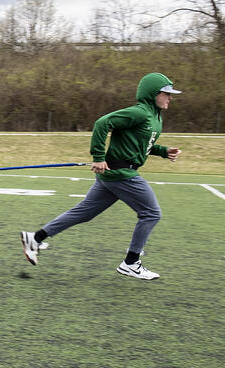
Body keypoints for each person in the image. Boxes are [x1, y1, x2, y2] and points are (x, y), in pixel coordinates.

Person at [20, 73, 182, 280]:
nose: (170, 97)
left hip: (113, 175)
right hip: (121, 173)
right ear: (152, 94)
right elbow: (101, 123)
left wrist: (163, 151)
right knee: (151, 213)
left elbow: (139, 144)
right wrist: (98, 156)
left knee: (84, 212)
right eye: (166, 93)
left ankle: (35, 238)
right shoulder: (139, 112)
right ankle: (131, 263)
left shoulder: (155, 117)